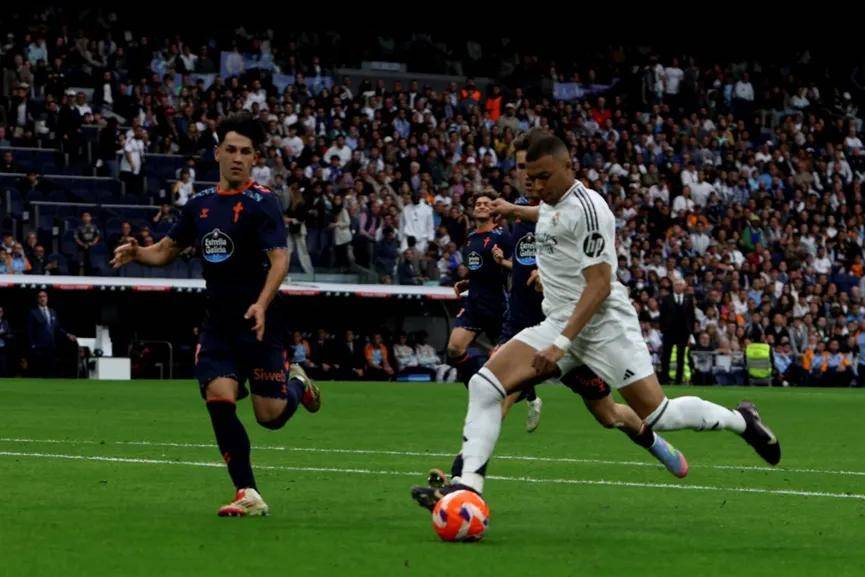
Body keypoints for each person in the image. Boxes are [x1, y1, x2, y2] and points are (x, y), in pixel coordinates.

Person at [411, 134, 780, 511]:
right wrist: (515, 212)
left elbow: (600, 285)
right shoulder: (550, 203)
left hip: (605, 328)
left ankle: (741, 420)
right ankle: (467, 488)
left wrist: (561, 345)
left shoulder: (590, 209)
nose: (536, 185)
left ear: (568, 167)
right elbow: (548, 217)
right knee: (485, 385)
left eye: (543, 176)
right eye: (530, 176)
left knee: (659, 414)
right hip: (559, 321)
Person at [111, 112, 321, 517]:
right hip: (219, 323)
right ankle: (248, 491)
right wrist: (138, 252)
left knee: (270, 417)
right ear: (217, 153)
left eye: (246, 152)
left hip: (260, 321)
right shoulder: (200, 205)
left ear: (254, 157)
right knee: (219, 396)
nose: (238, 158)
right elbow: (166, 250)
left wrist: (261, 303)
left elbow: (280, 260)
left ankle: (298, 383)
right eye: (231, 150)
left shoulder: (263, 202)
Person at [446, 191, 510, 385]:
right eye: (478, 204)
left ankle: (530, 396)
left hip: (497, 305)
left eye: (486, 204)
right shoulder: (470, 238)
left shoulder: (502, 235)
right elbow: (479, 272)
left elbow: (520, 265)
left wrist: (503, 261)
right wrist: (467, 282)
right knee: (454, 348)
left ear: (494, 210)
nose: (481, 206)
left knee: (504, 359)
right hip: (474, 303)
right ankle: (473, 386)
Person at [27, 291, 77, 377]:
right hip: (39, 347)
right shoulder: (33, 312)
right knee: (39, 372)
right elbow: (29, 331)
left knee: (51, 371)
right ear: (38, 299)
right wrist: (32, 345)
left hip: (51, 346)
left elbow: (57, 328)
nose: (42, 298)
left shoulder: (53, 312)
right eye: (40, 297)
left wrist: (67, 335)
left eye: (44, 296)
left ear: (47, 298)